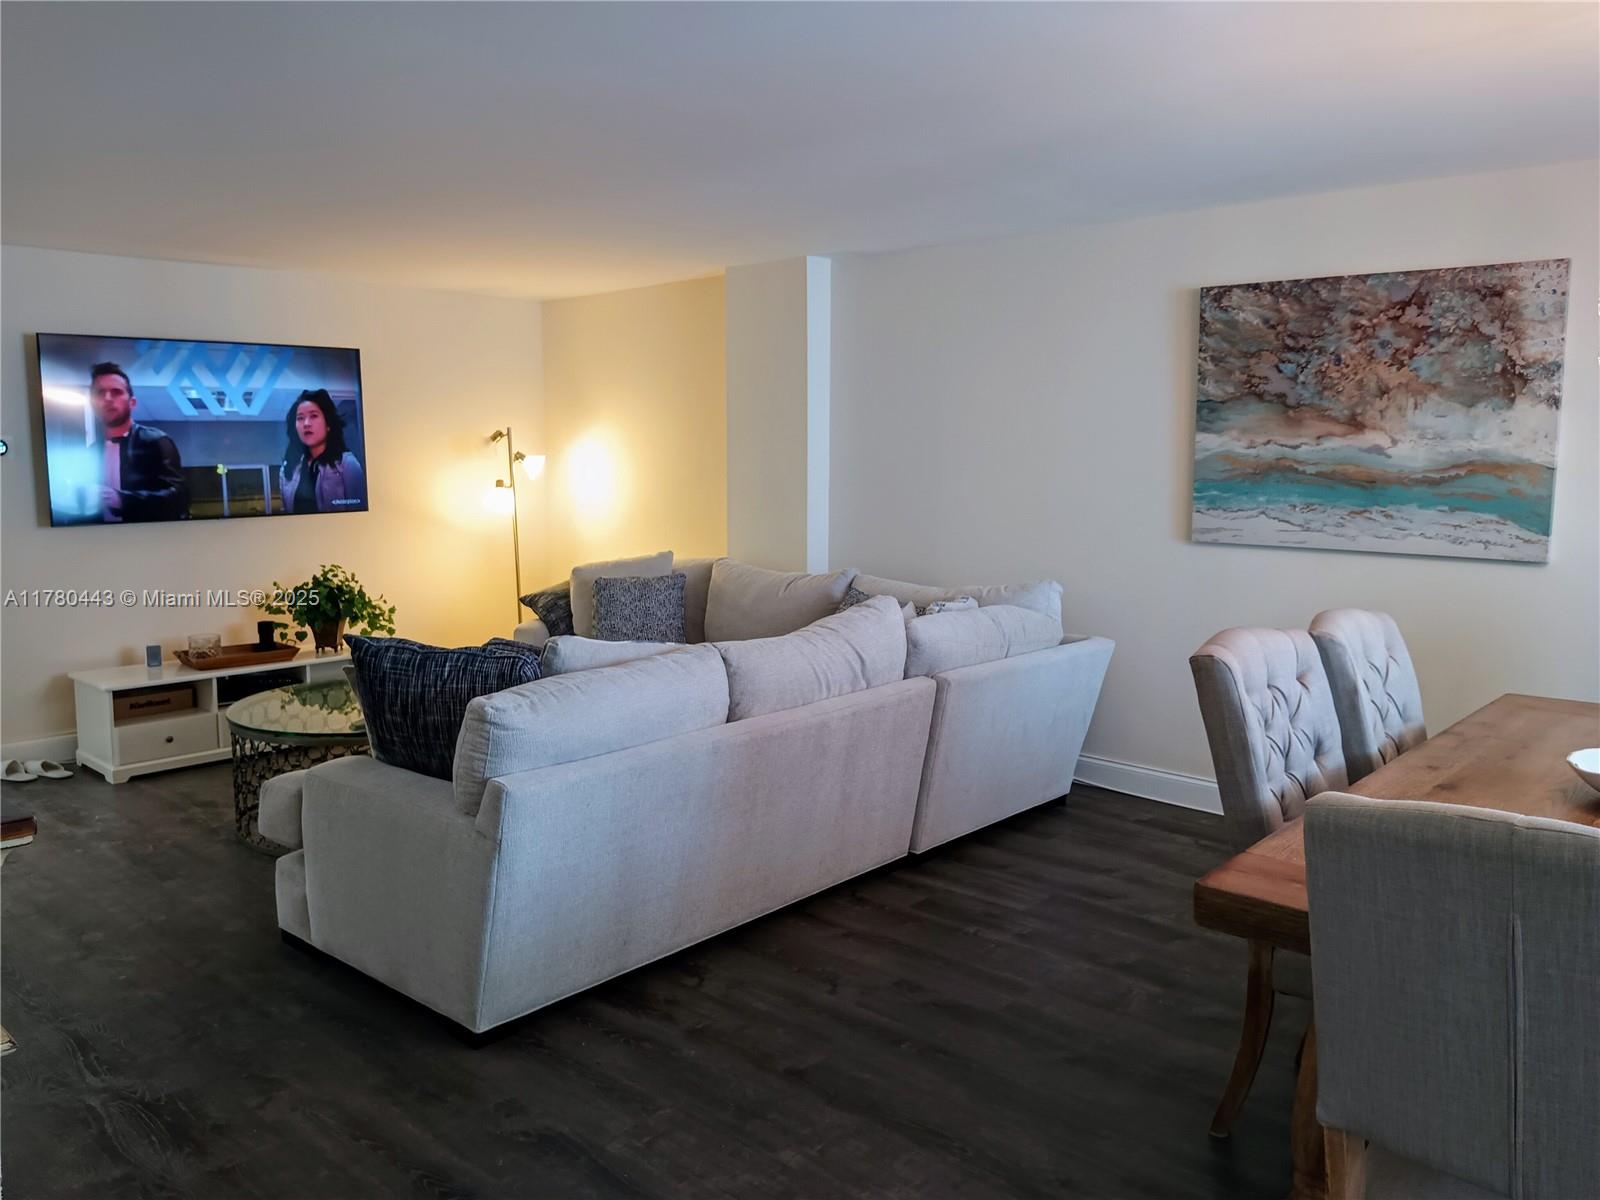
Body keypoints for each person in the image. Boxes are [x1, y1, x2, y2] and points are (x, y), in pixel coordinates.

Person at [89, 361, 187, 522]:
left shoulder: (156, 441)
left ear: (132, 402)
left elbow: (179, 497)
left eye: (116, 392)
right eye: (100, 393)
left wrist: (121, 499)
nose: (107, 398)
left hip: (149, 541)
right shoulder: (91, 451)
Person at [279, 389, 366, 514]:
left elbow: (359, 515)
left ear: (328, 424)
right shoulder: (287, 469)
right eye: (300, 418)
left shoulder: (347, 464)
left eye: (313, 416)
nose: (306, 424)